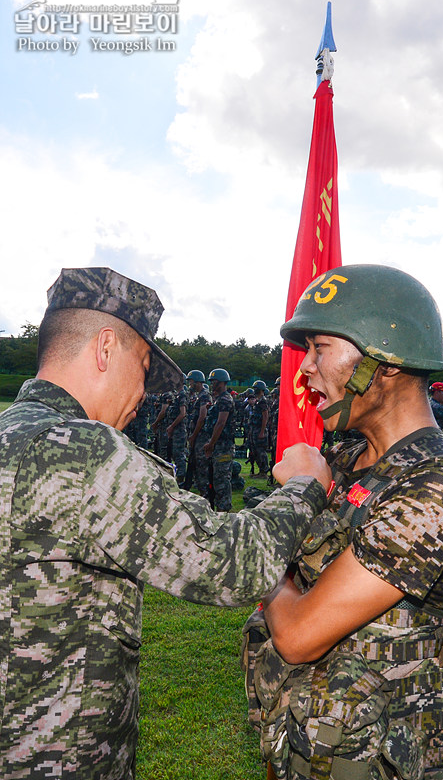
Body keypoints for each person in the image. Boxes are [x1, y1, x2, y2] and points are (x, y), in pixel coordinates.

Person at [0, 267, 332, 779]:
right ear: (105, 349)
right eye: (144, 369)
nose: (144, 396)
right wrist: (304, 485)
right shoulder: (83, 452)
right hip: (56, 754)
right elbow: (230, 565)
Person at [243, 264, 443, 780]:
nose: (303, 368)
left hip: (374, 752)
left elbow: (300, 634)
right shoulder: (350, 451)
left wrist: (272, 544)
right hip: (312, 731)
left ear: (385, 361)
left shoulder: (440, 483)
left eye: (320, 348)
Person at [203, 368, 235, 511]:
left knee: (222, 480)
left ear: (222, 382)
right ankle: (218, 508)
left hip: (223, 446)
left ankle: (224, 511)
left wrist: (211, 443)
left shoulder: (225, 399)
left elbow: (221, 423)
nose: (212, 383)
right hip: (218, 445)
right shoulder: (218, 400)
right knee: (215, 478)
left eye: (214, 381)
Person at [247, 379, 270, 477]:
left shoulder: (263, 402)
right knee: (255, 450)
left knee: (260, 451)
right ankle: (260, 470)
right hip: (254, 429)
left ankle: (264, 471)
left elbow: (265, 416)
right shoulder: (257, 401)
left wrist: (262, 431)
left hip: (259, 429)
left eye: (256, 388)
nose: (254, 390)